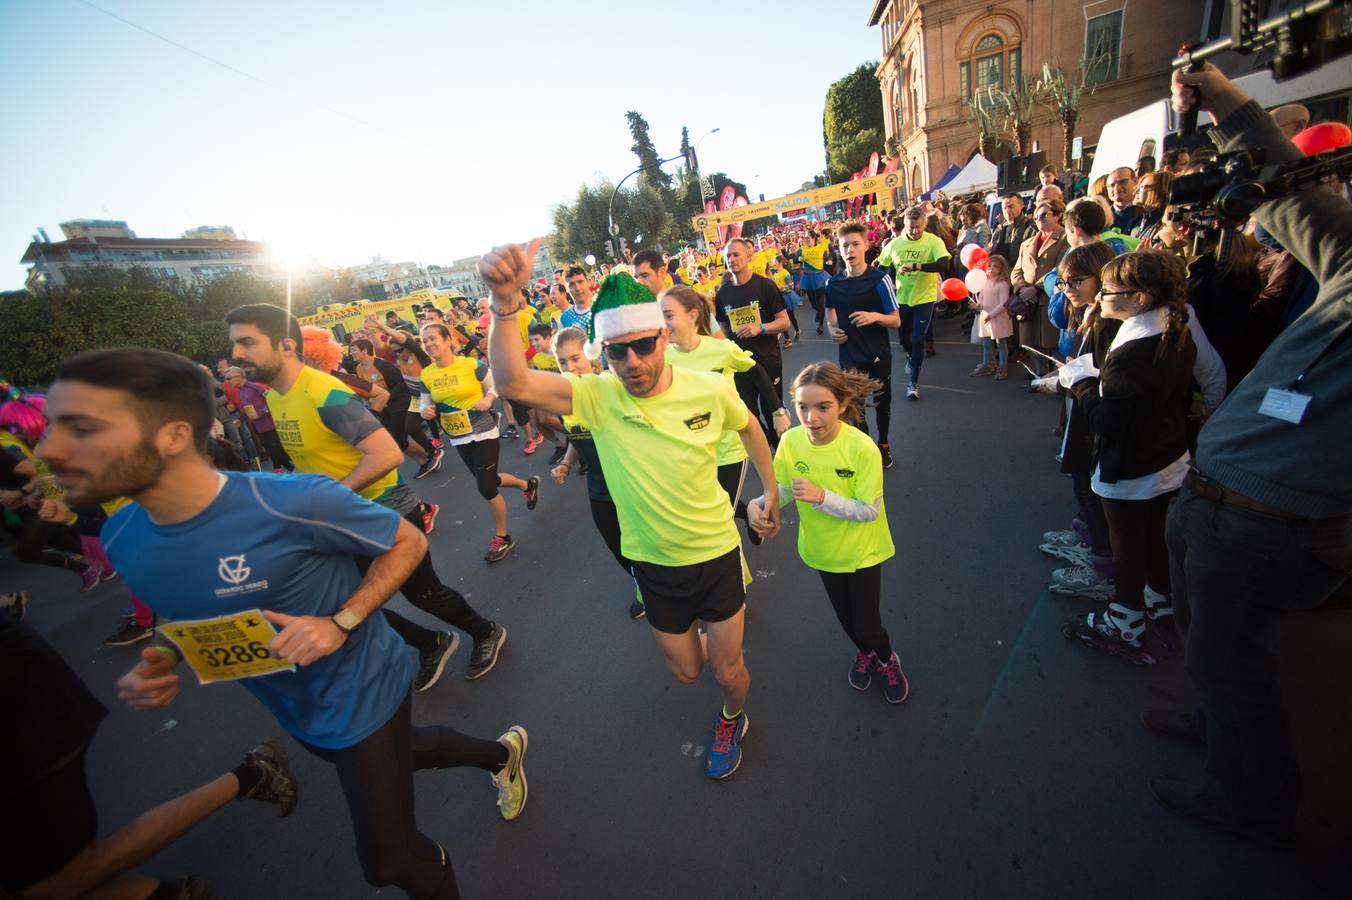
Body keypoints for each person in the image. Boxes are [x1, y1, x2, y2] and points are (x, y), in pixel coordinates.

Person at [39, 347, 529, 899]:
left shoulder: (289, 501)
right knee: (407, 753)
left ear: (174, 436)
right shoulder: (122, 536)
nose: (50, 450)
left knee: (389, 861)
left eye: (80, 429)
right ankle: (500, 753)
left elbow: (408, 540)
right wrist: (167, 654)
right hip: (295, 708)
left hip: (360, 687)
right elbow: (189, 604)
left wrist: (340, 622)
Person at [1144, 62, 1352, 845]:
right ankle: (1213, 724)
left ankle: (1251, 802)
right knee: (1211, 655)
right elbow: (1290, 182)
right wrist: (1223, 99)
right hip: (1215, 501)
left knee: (1233, 664)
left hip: (1273, 524)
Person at [484, 246, 780, 781]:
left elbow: (750, 428)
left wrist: (770, 490)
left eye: (644, 345)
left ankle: (732, 716)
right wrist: (505, 305)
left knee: (726, 669)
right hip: (653, 565)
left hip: (715, 554)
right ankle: (713, 641)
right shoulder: (597, 396)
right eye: (619, 353)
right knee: (688, 671)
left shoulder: (708, 388)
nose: (634, 362)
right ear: (605, 354)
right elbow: (514, 384)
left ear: (663, 337)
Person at [227, 304, 508, 688]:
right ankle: (430, 643)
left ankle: (485, 631)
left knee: (423, 594)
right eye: (234, 345)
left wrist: (332, 495)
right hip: (335, 518)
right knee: (342, 603)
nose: (236, 355)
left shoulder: (323, 391)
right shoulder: (276, 397)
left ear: (287, 345)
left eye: (247, 343)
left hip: (383, 510)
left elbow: (388, 455)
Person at [1, 615, 299, 899]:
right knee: (36, 880)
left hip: (20, 702)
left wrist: (165, 652)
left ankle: (255, 773)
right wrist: (164, 651)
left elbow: (178, 601)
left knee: (56, 879)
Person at [1062, 250, 1196, 661]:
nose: (1100, 296)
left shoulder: (1131, 351)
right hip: (1167, 456)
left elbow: (1108, 422)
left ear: (1140, 298)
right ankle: (1160, 597)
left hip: (1130, 466)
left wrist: (1081, 382)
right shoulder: (1176, 330)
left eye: (1109, 290)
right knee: (1153, 534)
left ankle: (1126, 620)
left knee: (1127, 547)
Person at [748, 362, 907, 704]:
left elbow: (869, 510)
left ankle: (885, 658)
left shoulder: (862, 448)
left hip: (863, 551)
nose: (811, 417)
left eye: (823, 407)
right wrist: (759, 504)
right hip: (822, 549)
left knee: (867, 624)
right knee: (847, 620)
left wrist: (823, 497)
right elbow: (786, 488)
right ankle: (864, 652)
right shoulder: (790, 442)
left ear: (843, 405)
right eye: (803, 407)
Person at [661, 284, 790, 544]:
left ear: (692, 315)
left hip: (729, 446)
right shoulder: (663, 358)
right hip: (691, 449)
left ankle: (731, 567)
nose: (663, 324)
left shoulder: (722, 349)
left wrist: (777, 410)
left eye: (669, 316)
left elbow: (757, 372)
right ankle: (750, 514)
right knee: (713, 505)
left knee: (719, 515)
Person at [419, 322, 541, 562]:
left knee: (485, 486)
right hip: (458, 435)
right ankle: (527, 485)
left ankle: (502, 537)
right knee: (489, 479)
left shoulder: (471, 365)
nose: (429, 344)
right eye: (425, 342)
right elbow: (424, 402)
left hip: (483, 431)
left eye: (434, 339)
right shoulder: (427, 374)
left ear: (447, 340)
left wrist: (489, 399)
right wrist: (426, 411)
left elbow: (494, 384)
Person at [548, 326, 646, 620]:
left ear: (593, 357)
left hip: (630, 483)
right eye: (562, 362)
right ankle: (643, 584)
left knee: (644, 541)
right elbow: (578, 435)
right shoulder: (570, 399)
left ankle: (659, 587)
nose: (570, 367)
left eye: (575, 359)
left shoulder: (609, 387)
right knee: (617, 545)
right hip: (598, 487)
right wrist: (566, 463)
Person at [1041, 241, 1122, 595]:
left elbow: (1101, 378)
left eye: (1075, 281)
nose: (1068, 289)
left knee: (1088, 486)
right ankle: (1088, 537)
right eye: (1063, 283)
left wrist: (1074, 381)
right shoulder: (1091, 314)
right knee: (1080, 483)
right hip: (1082, 413)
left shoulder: (1108, 323)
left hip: (1095, 421)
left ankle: (1101, 564)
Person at [824, 221, 900, 466]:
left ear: (866, 246)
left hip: (877, 355)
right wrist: (833, 329)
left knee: (881, 404)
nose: (850, 250)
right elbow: (830, 313)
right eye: (845, 245)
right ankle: (867, 447)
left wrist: (875, 316)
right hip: (849, 355)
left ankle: (884, 444)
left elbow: (896, 321)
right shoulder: (833, 284)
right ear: (839, 249)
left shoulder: (880, 280)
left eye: (856, 244)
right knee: (855, 407)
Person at [714, 237, 792, 439]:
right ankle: (765, 452)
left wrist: (761, 328)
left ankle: (782, 455)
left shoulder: (765, 286)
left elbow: (784, 322)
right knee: (749, 417)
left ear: (749, 256)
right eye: (727, 255)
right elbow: (724, 330)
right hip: (741, 366)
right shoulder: (723, 293)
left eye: (736, 254)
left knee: (773, 412)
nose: (731, 259)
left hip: (768, 361)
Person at [877, 206, 950, 401]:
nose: (914, 231)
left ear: (924, 224)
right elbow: (881, 266)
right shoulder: (894, 244)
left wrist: (917, 266)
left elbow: (944, 264)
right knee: (904, 340)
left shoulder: (933, 241)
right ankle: (911, 355)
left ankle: (913, 383)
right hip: (902, 299)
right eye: (911, 227)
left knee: (918, 339)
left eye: (918, 227)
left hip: (925, 298)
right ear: (904, 226)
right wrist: (885, 282)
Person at [350, 339, 443, 479]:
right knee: (398, 441)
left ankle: (431, 452)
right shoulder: (359, 369)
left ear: (364, 351)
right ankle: (425, 460)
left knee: (400, 439)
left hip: (399, 405)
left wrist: (386, 397)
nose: (351, 353)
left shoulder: (383, 365)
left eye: (354, 350)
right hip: (382, 409)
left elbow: (401, 383)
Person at [1010, 198, 1069, 375]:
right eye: (1036, 217)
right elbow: (1016, 271)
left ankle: (1060, 377)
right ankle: (1040, 374)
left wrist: (1035, 289)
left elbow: (1061, 268)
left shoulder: (1065, 238)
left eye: (1044, 215)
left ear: (1057, 216)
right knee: (1032, 343)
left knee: (1054, 343)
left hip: (1049, 298)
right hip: (1028, 302)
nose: (1039, 219)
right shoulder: (1027, 243)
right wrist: (1021, 288)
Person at [224, 366, 295, 473]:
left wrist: (261, 413)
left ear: (239, 376)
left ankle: (295, 470)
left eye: (229, 378)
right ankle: (294, 470)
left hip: (270, 425)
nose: (227, 382)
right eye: (226, 379)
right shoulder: (240, 391)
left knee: (277, 452)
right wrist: (240, 419)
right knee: (272, 452)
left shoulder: (254, 386)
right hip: (258, 427)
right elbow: (247, 410)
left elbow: (273, 400)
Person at [970, 254, 1013, 379]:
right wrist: (978, 306)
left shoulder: (1002, 284)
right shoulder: (984, 282)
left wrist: (991, 314)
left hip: (998, 318)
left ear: (1001, 269)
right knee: (986, 343)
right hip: (986, 317)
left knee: (1001, 343)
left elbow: (1004, 303)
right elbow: (982, 299)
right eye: (989, 266)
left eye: (995, 267)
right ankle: (987, 364)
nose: (991, 269)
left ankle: (1002, 367)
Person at [797, 229, 832, 333]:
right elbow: (794, 258)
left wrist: (828, 260)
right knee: (813, 304)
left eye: (808, 238)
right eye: (805, 238)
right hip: (808, 278)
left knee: (821, 303)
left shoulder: (821, 248)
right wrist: (797, 258)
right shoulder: (802, 249)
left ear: (813, 238)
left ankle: (821, 325)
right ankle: (819, 312)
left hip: (820, 277)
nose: (806, 240)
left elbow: (828, 259)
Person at [1106, 167, 1144, 233]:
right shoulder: (1102, 216)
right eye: (1112, 185)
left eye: (1122, 182)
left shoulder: (1145, 213)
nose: (1117, 188)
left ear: (1135, 182)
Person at [560, 265, 595, 332]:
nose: (577, 288)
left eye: (580, 282)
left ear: (588, 282)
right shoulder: (564, 319)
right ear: (567, 288)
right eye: (572, 284)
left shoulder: (606, 307)